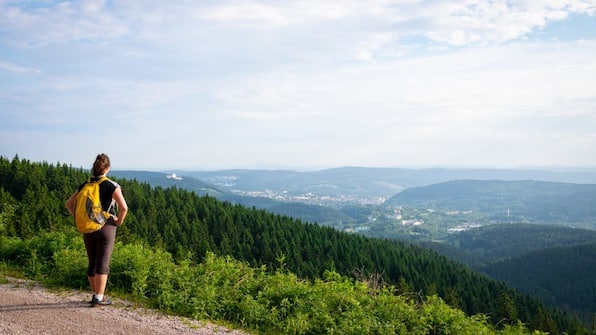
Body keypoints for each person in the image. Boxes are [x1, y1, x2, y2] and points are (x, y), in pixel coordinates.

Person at [65, 153, 128, 307]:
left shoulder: (85, 185)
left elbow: (69, 204)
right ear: (107, 168)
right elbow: (124, 207)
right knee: (103, 262)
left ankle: (96, 295)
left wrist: (80, 218)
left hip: (88, 227)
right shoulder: (111, 185)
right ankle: (99, 298)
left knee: (92, 261)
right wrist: (118, 221)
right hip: (105, 226)